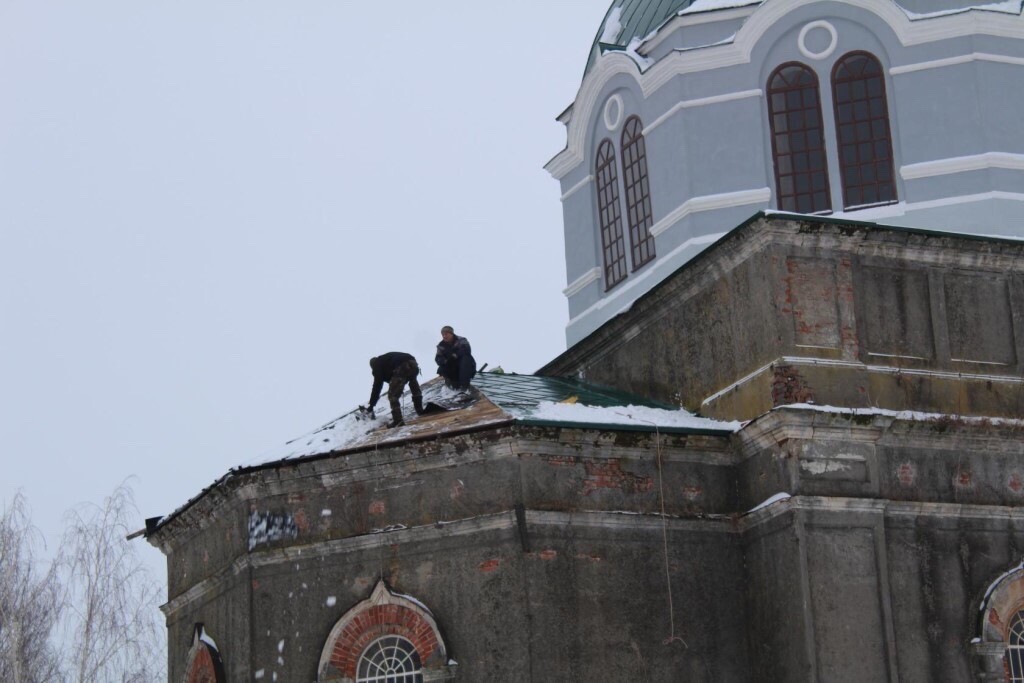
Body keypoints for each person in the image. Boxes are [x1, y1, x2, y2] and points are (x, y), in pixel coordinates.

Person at [363, 352, 425, 428]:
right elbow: (393, 377)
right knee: (413, 384)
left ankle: (398, 421)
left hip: (402, 366)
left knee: (392, 396)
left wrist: (372, 405)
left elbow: (377, 386)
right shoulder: (385, 361)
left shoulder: (377, 365)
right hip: (413, 362)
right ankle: (420, 410)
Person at [435, 326, 476, 390]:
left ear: (451, 334)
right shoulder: (441, 345)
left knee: (465, 359)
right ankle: (451, 386)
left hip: (465, 367)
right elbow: (438, 358)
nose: (444, 336)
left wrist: (454, 356)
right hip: (452, 369)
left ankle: (464, 387)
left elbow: (466, 350)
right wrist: (445, 361)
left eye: (446, 334)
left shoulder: (461, 340)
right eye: (443, 335)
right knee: (441, 368)